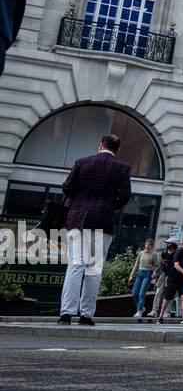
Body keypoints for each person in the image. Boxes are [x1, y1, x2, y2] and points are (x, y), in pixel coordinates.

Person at [56, 134, 132, 326]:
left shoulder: (82, 162)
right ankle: (86, 314)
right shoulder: (122, 168)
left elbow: (67, 188)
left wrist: (79, 201)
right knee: (94, 269)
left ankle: (66, 313)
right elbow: (125, 196)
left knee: (75, 265)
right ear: (118, 149)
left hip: (78, 219)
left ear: (100, 145)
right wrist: (110, 205)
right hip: (102, 221)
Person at [128, 239, 158, 320]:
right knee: (134, 293)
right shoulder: (141, 253)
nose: (147, 246)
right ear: (144, 244)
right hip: (139, 273)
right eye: (146, 244)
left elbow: (155, 266)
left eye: (149, 245)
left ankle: (139, 310)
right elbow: (136, 264)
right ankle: (141, 307)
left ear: (152, 246)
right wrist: (131, 275)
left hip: (147, 274)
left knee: (142, 293)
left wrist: (154, 272)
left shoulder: (154, 254)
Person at [152, 239, 177, 319]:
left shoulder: (176, 253)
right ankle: (154, 311)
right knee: (158, 292)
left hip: (171, 276)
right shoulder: (164, 252)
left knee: (169, 294)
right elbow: (161, 263)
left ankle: (167, 311)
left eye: (168, 243)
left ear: (173, 244)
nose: (167, 244)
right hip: (163, 274)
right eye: (167, 243)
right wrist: (155, 271)